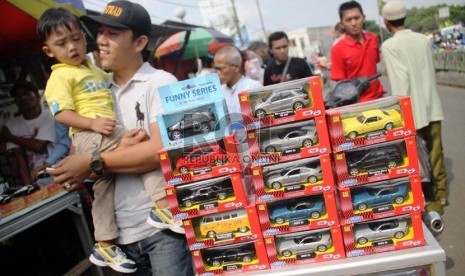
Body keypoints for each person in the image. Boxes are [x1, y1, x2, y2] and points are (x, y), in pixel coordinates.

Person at [47, 1, 194, 275]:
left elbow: (159, 151)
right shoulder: (93, 92)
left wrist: (94, 161)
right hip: (118, 241)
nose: (100, 41)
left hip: (163, 232)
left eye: (112, 34)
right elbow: (73, 169)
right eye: (100, 32)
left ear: (139, 42)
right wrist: (87, 164)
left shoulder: (162, 83)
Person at [381, 1, 447, 214]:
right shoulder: (423, 40)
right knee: (436, 152)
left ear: (386, 22)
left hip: (411, 110)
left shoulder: (389, 46)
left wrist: (400, 112)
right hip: (432, 105)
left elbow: (401, 81)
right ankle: (442, 194)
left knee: (417, 157)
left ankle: (426, 198)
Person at [1, 82, 56, 187]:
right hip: (36, 179)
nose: (23, 98)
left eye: (26, 93)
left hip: (57, 172)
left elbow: (38, 146)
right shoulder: (12, 125)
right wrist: (28, 187)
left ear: (37, 95)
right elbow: (20, 157)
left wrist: (10, 137)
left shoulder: (49, 116)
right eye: (18, 96)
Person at [330, 0, 385, 102]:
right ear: (342, 24)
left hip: (379, 97)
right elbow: (341, 84)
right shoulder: (337, 49)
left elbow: (375, 62)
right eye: (348, 20)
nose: (354, 23)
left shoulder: (373, 39)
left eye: (357, 18)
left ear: (363, 18)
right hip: (356, 104)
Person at [214, 46, 262, 145]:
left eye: (221, 69)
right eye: (216, 69)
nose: (218, 73)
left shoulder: (253, 87)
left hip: (254, 144)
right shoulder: (219, 92)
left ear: (236, 68)